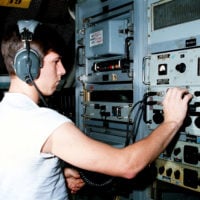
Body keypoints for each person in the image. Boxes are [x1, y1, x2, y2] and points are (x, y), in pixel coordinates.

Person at [0, 20, 192, 200]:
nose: (63, 71)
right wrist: (172, 121)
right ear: (28, 65)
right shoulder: (44, 122)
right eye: (56, 61)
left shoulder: (6, 111)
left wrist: (56, 175)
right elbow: (128, 165)